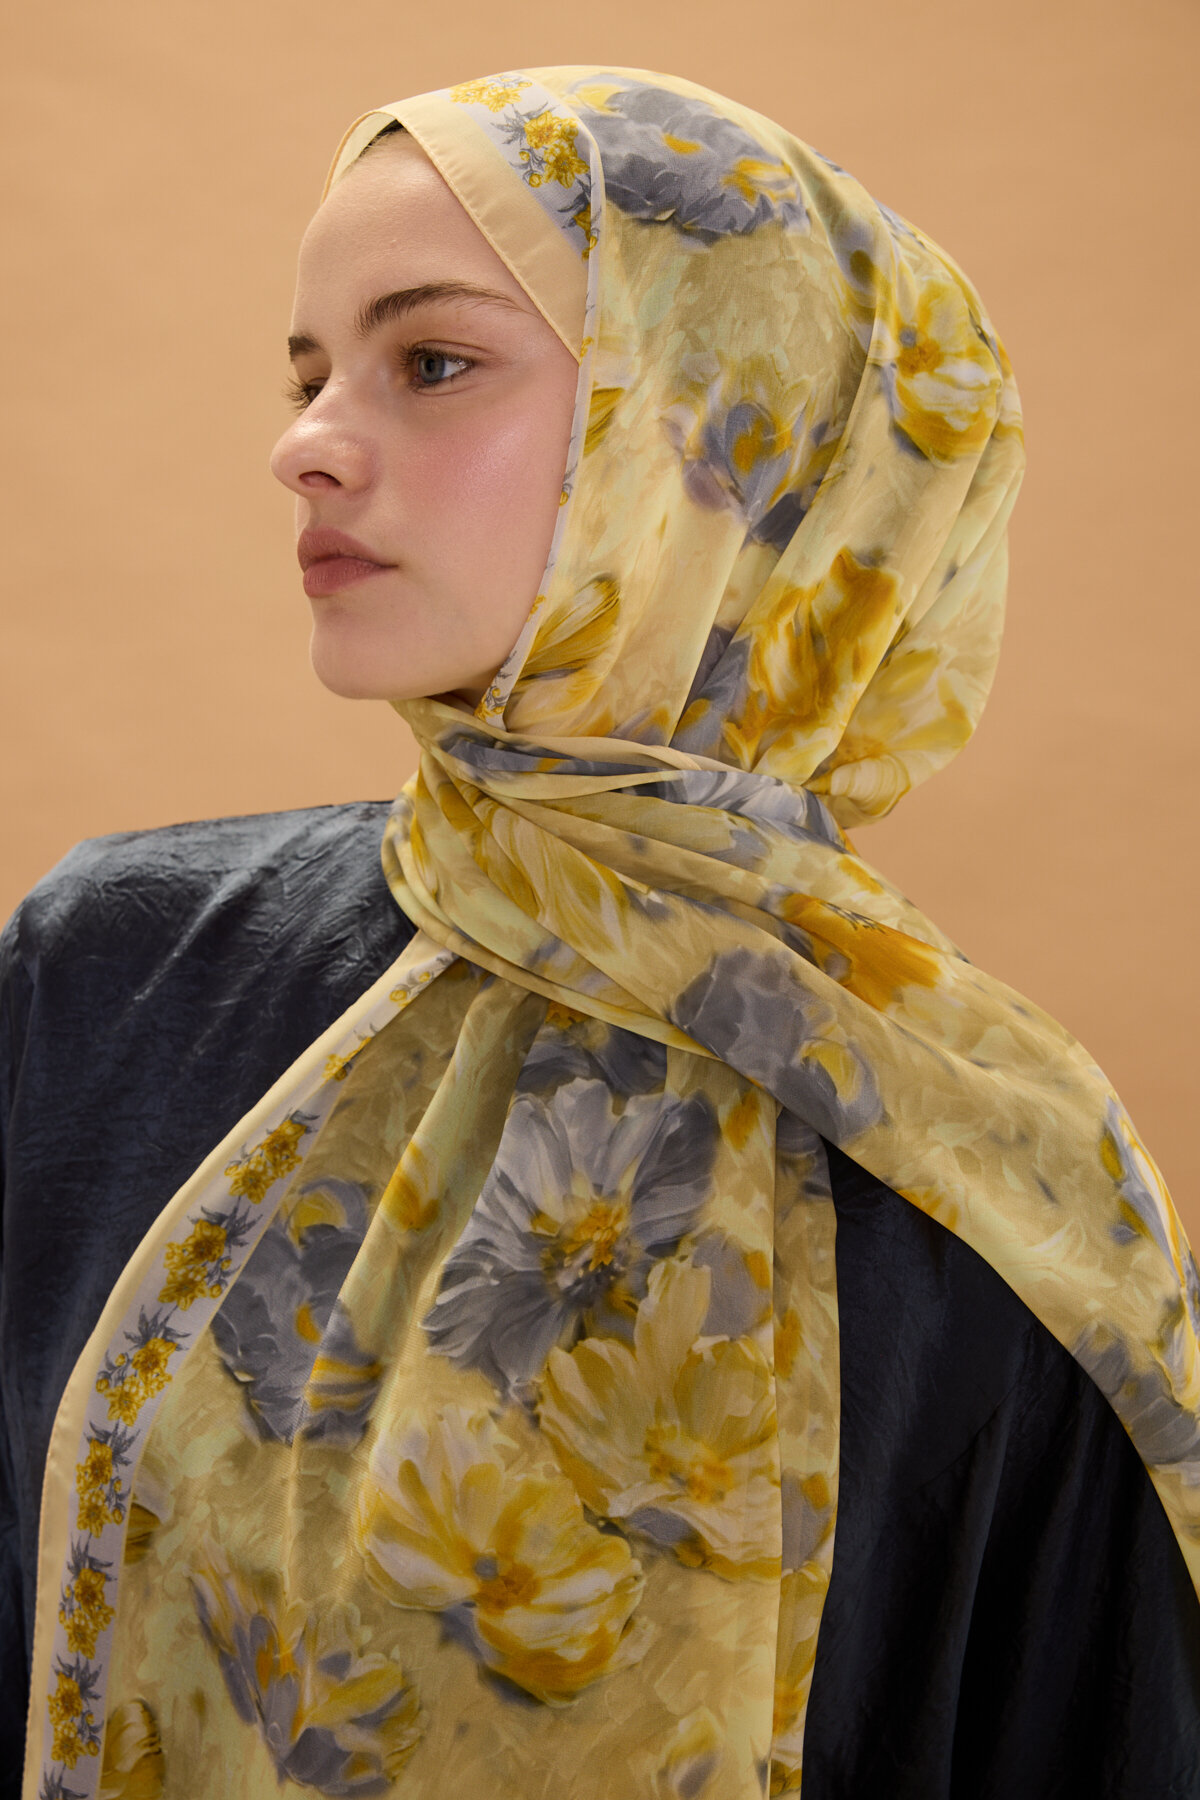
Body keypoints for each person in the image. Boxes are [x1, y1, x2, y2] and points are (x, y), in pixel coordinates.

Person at [4, 63, 1199, 1800]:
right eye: (309, 372)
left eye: (431, 362)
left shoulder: (1000, 1183)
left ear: (731, 437)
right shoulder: (110, 980)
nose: (305, 441)